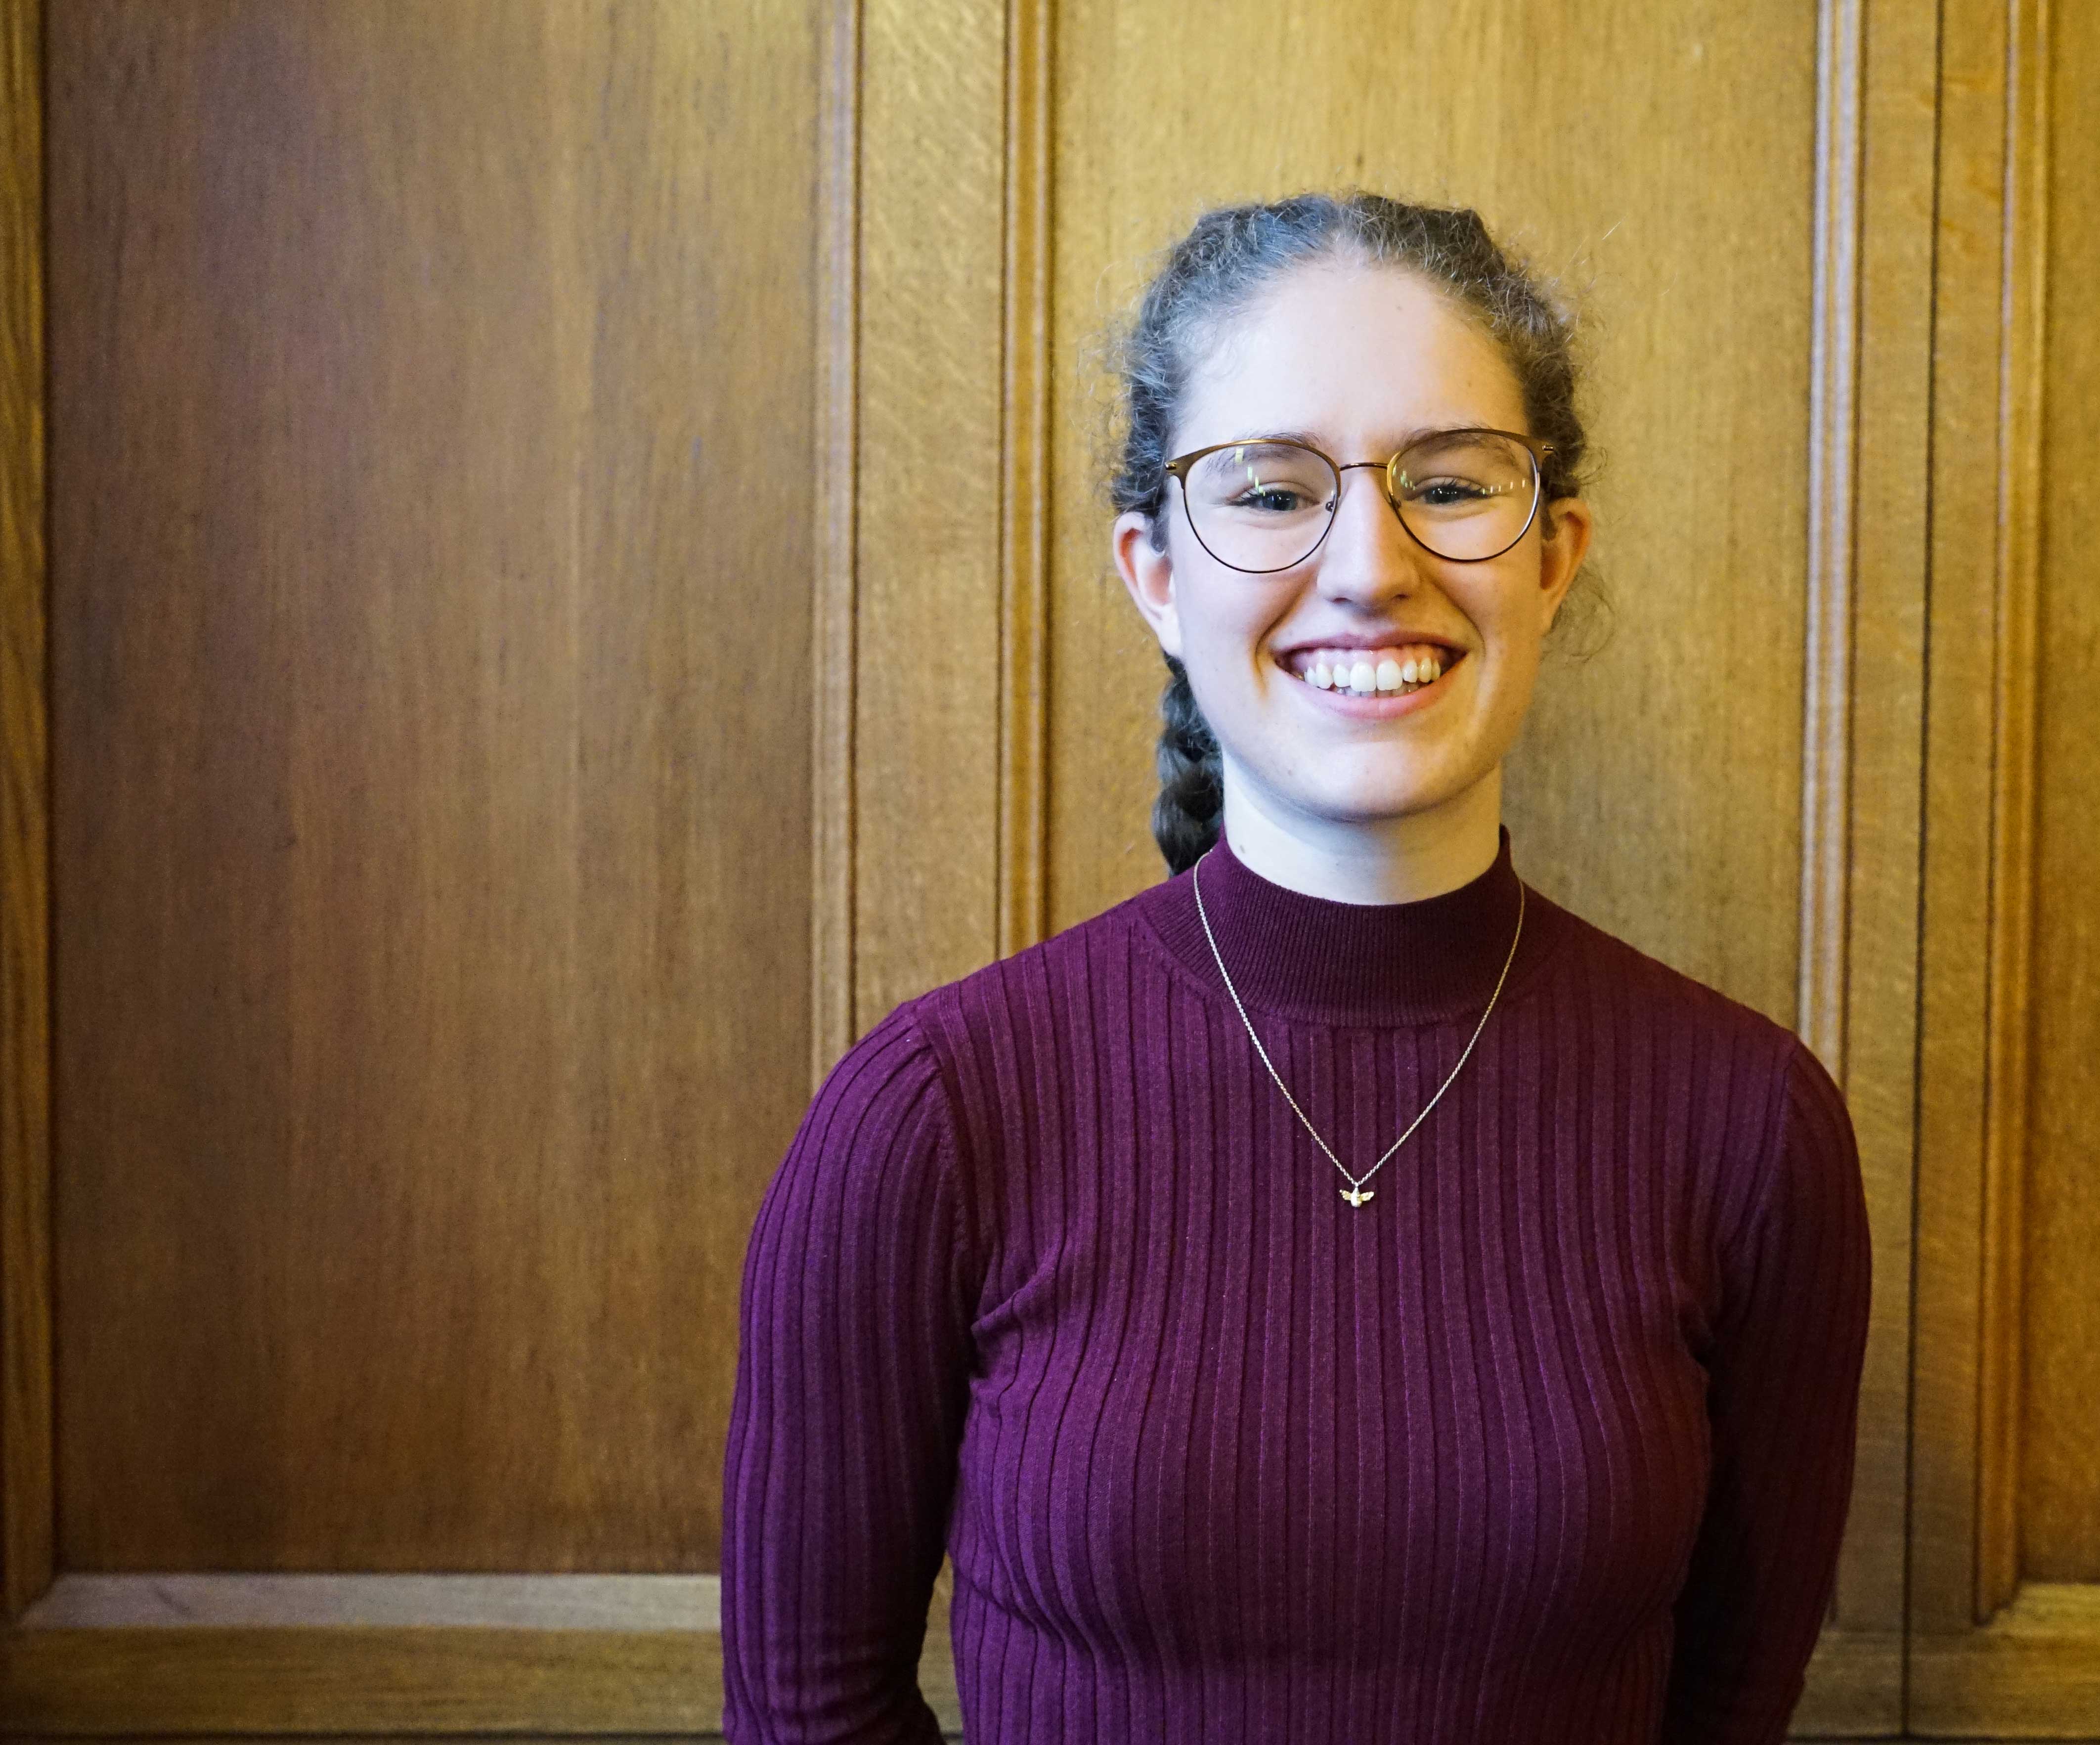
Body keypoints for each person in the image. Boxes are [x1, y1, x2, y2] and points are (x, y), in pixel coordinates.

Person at [721, 191, 1871, 1745]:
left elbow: (1729, 1709)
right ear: (1154, 572)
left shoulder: (1748, 1128)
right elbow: (810, 1713)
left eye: (1451, 484)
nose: (1369, 565)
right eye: (1269, 493)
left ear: (1554, 557)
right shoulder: (935, 1114)